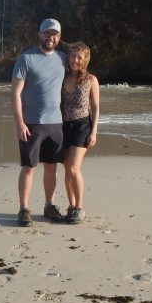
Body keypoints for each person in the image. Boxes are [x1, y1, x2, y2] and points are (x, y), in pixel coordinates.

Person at [11, 19, 68, 227]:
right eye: (46, 33)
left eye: (54, 34)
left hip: (56, 124)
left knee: (52, 167)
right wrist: (20, 123)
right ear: (39, 34)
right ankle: (24, 209)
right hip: (32, 123)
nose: (50, 37)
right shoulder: (26, 59)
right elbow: (15, 93)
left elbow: (80, 76)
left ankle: (49, 205)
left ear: (59, 37)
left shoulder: (63, 59)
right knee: (28, 167)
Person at [61, 41, 100, 225]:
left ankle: (79, 207)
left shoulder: (91, 80)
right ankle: (71, 206)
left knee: (73, 168)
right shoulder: (61, 77)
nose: (74, 60)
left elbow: (95, 107)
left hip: (82, 126)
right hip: (62, 126)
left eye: (79, 57)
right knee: (67, 171)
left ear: (85, 60)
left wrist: (94, 132)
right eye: (72, 56)